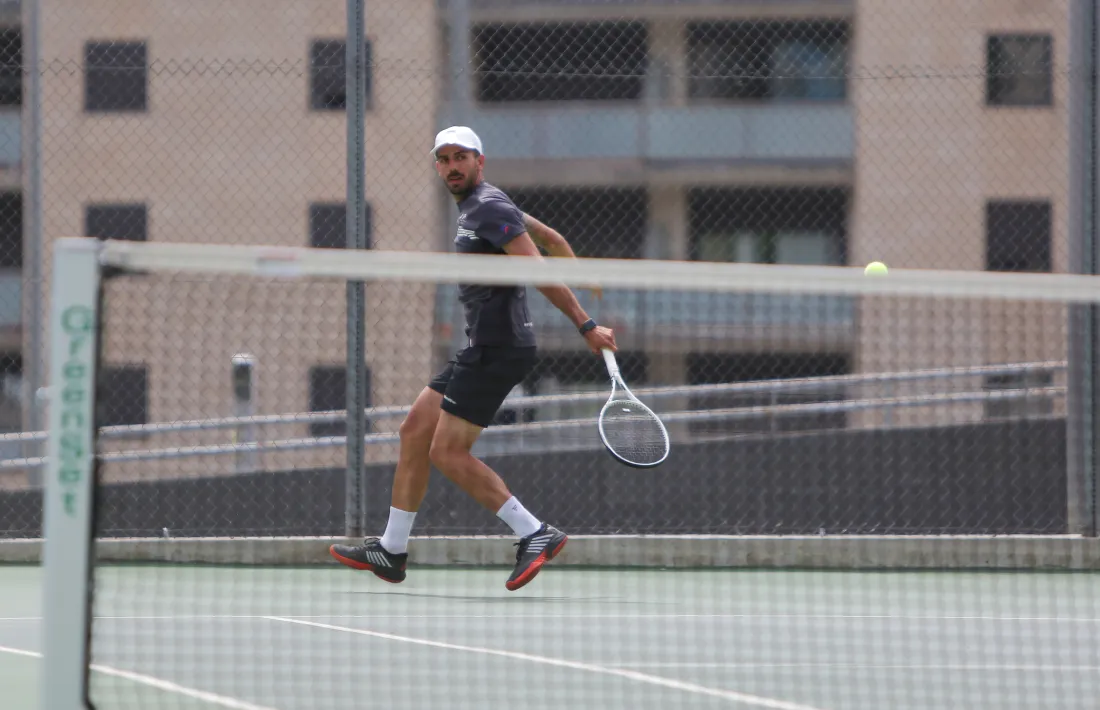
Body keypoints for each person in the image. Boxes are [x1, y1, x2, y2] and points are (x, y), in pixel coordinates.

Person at [330, 126, 618, 591]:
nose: (451, 166)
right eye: (443, 159)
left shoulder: (488, 206)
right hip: (479, 345)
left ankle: (534, 532)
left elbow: (536, 268)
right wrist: (584, 277)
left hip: (499, 347)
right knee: (415, 430)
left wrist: (584, 323)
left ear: (480, 161)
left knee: (447, 452)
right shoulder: (484, 204)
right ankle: (392, 549)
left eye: (460, 157)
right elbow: (551, 238)